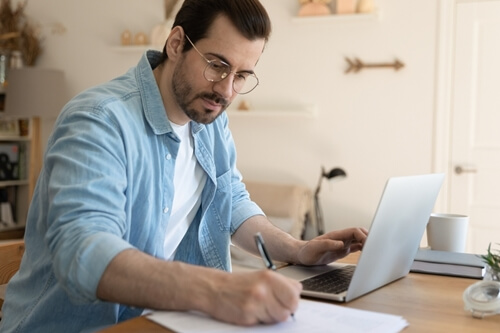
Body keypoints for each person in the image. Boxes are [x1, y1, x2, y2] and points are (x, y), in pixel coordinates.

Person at [0, 0, 368, 332]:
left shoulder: (209, 118)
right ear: (176, 44)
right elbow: (83, 252)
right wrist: (218, 289)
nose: (226, 92)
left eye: (241, 76)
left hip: (159, 321)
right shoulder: (98, 120)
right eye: (217, 66)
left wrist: (297, 249)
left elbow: (231, 201)